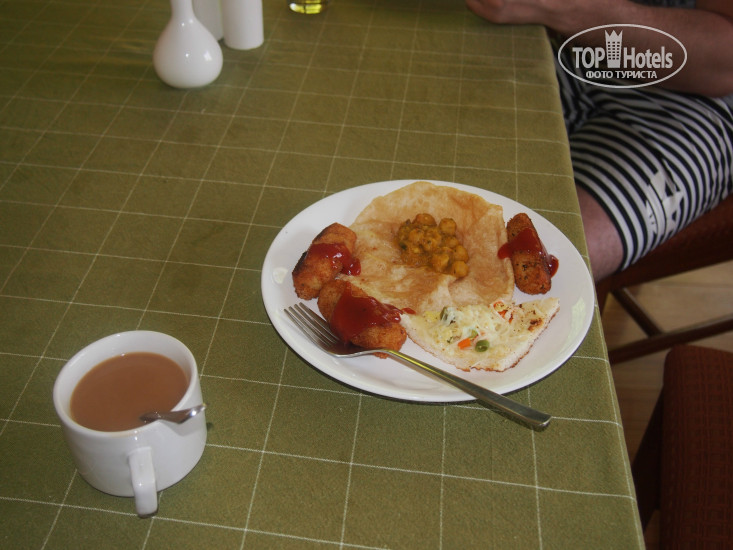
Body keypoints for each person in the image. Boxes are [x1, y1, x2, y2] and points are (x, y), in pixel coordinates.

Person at [466, 0, 733, 280]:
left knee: (543, 273)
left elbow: (724, 58)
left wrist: (564, 9)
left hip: (700, 97)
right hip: (562, 44)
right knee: (448, 162)